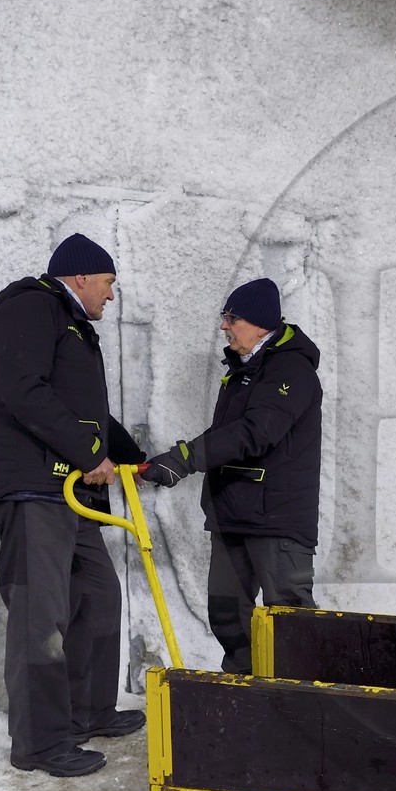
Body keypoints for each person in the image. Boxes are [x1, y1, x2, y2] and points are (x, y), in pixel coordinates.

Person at [0, 232, 148, 778]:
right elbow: (20, 387)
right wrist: (91, 451)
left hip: (71, 491)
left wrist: (138, 458)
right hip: (33, 489)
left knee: (97, 596)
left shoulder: (72, 328)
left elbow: (87, 414)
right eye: (109, 283)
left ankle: (87, 712)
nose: (112, 296)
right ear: (82, 276)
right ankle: (39, 743)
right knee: (39, 616)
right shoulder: (32, 307)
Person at [144, 277, 323, 675]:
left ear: (260, 323)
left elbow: (256, 433)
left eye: (232, 318)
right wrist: (172, 460)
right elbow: (227, 434)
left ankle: (307, 711)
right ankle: (244, 697)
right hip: (234, 515)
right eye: (225, 317)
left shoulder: (290, 368)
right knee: (226, 613)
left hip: (276, 519)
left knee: (291, 621)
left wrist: (186, 458)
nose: (224, 326)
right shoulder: (245, 369)